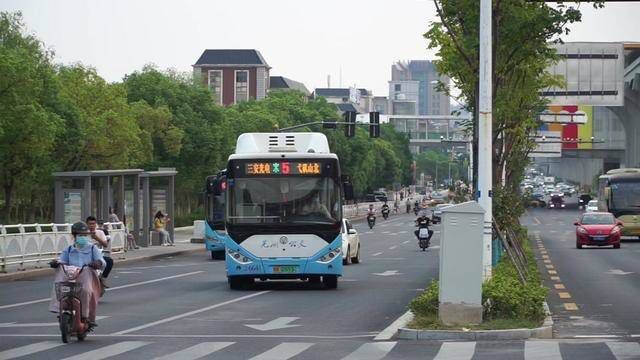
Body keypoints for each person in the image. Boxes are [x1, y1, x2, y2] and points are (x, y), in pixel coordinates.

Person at [49, 221, 105, 328]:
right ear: (74, 236)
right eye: (80, 235)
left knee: (86, 291)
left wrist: (97, 263)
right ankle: (59, 309)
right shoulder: (69, 250)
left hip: (87, 278)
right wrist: (55, 263)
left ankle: (85, 316)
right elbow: (61, 260)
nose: (83, 237)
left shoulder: (93, 248)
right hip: (70, 278)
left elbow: (102, 262)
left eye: (85, 235)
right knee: (59, 286)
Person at [86, 216, 112, 288]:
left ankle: (102, 278)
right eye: (90, 224)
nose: (91, 226)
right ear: (87, 224)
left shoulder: (100, 232)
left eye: (93, 224)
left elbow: (105, 244)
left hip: (97, 255)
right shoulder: (84, 233)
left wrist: (96, 238)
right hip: (85, 255)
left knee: (109, 261)